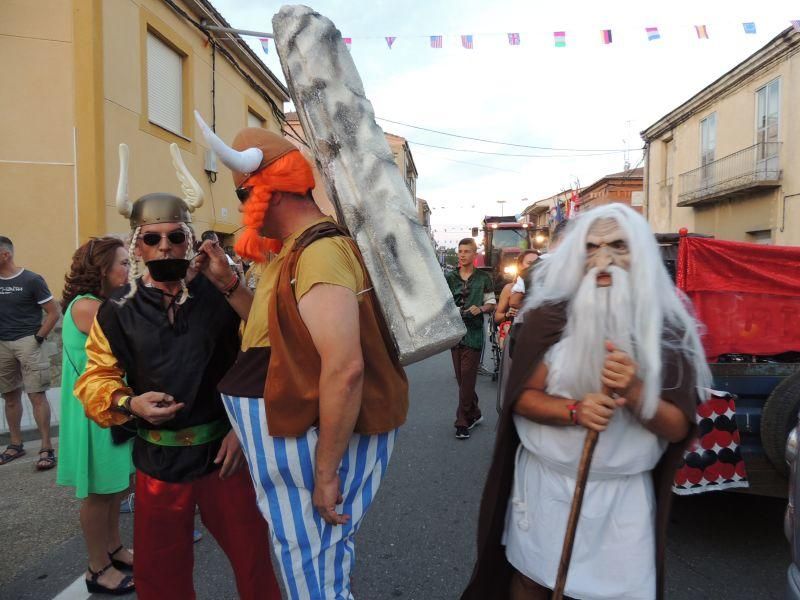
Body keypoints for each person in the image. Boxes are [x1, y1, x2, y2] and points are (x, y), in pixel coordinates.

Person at [198, 119, 409, 599]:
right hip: (289, 437)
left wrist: (326, 471)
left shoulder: (320, 252)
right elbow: (278, 341)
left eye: (242, 196)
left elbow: (345, 367)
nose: (241, 209)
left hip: (310, 444)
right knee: (311, 566)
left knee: (314, 572)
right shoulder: (289, 254)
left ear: (267, 189)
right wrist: (229, 285)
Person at [462, 204, 711, 600]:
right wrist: (574, 411)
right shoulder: (549, 319)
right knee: (531, 580)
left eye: (617, 245)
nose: (603, 259)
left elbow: (678, 426)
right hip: (546, 485)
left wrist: (632, 392)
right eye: (591, 247)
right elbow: (521, 399)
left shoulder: (665, 329)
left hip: (622, 497)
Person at [74, 143, 280, 600]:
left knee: (255, 565)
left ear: (190, 239)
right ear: (137, 245)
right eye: (152, 239)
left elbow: (265, 354)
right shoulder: (116, 313)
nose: (164, 246)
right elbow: (94, 381)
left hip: (224, 458)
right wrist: (131, 403)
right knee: (161, 578)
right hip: (158, 465)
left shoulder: (221, 297)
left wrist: (242, 431)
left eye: (174, 237)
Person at [56, 236, 136, 595]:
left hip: (110, 408)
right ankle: (97, 567)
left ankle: (115, 548)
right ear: (102, 269)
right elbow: (133, 339)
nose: (128, 269)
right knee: (98, 494)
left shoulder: (101, 303)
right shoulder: (87, 306)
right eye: (123, 263)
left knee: (117, 487)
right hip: (95, 413)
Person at [0, 235, 60, 469]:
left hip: (28, 342)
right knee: (10, 397)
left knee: (37, 395)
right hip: (2, 345)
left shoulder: (31, 280)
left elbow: (53, 312)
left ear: (6, 254)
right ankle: (15, 445)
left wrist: (37, 338)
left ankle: (46, 447)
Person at [445, 238, 496, 440]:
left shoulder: (484, 278)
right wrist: (453, 310)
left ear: (475, 254)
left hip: (474, 334)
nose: (462, 254)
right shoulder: (449, 277)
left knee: (467, 376)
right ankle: (475, 413)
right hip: (455, 332)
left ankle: (462, 421)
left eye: (467, 251)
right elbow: (443, 302)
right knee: (462, 379)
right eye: (460, 251)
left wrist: (481, 308)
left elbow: (491, 303)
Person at [495, 251, 538, 348]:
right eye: (529, 263)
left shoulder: (547, 288)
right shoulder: (509, 288)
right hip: (515, 336)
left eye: (537, 264)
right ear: (519, 265)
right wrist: (508, 314)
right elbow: (497, 317)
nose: (533, 267)